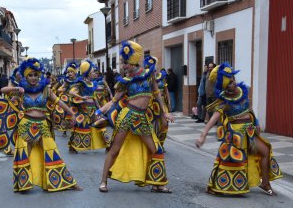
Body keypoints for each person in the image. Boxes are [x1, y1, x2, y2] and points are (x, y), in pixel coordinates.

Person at [95, 41, 174, 193]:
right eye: (123, 63)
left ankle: (157, 183)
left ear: (134, 61)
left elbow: (157, 95)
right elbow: (114, 101)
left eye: (125, 63)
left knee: (157, 150)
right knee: (114, 150)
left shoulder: (149, 76)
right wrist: (98, 113)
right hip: (127, 116)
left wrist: (165, 112)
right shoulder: (125, 82)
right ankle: (103, 181)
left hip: (142, 118)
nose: (123, 66)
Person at [195, 63, 282, 196]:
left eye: (233, 80)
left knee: (265, 150)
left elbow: (249, 108)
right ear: (224, 85)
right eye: (229, 82)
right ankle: (219, 185)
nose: (233, 83)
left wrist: (256, 122)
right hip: (236, 135)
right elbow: (213, 119)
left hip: (250, 131)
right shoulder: (224, 101)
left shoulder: (242, 91)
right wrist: (203, 135)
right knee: (231, 160)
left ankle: (265, 183)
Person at [2, 58, 81, 192]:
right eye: (30, 75)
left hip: (42, 125)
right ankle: (23, 184)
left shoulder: (45, 90)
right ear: (25, 77)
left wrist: (71, 113)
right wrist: (16, 88)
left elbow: (59, 103)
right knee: (24, 154)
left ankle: (67, 182)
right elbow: (3, 90)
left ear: (39, 76)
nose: (33, 78)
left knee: (51, 151)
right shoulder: (22, 91)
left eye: (35, 75)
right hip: (26, 125)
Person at [68, 59, 108, 153]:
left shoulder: (92, 83)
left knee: (99, 124)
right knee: (81, 126)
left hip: (93, 108)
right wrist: (82, 97)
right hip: (84, 109)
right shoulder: (81, 83)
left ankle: (108, 144)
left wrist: (99, 109)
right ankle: (72, 146)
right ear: (88, 73)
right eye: (92, 71)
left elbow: (94, 96)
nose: (94, 73)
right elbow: (71, 92)